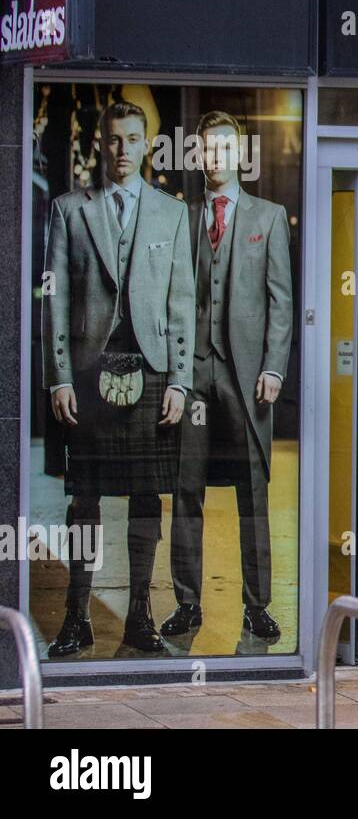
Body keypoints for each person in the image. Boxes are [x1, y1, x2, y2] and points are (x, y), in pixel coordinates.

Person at [42, 100, 196, 656]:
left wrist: (180, 381)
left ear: (148, 144)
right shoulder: (67, 210)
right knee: (83, 498)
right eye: (113, 140)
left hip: (152, 371)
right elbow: (53, 303)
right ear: (100, 144)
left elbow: (183, 304)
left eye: (133, 139)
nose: (123, 150)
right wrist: (58, 377)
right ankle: (75, 616)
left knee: (146, 497)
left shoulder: (171, 213)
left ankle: (139, 617)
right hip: (86, 375)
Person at [161, 111, 293, 642]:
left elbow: (281, 303)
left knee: (253, 493)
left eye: (223, 150)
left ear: (240, 156)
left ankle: (257, 606)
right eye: (206, 151)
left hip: (245, 376)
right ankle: (187, 604)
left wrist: (274, 366)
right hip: (193, 371)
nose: (214, 160)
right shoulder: (183, 217)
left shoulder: (269, 216)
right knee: (186, 490)